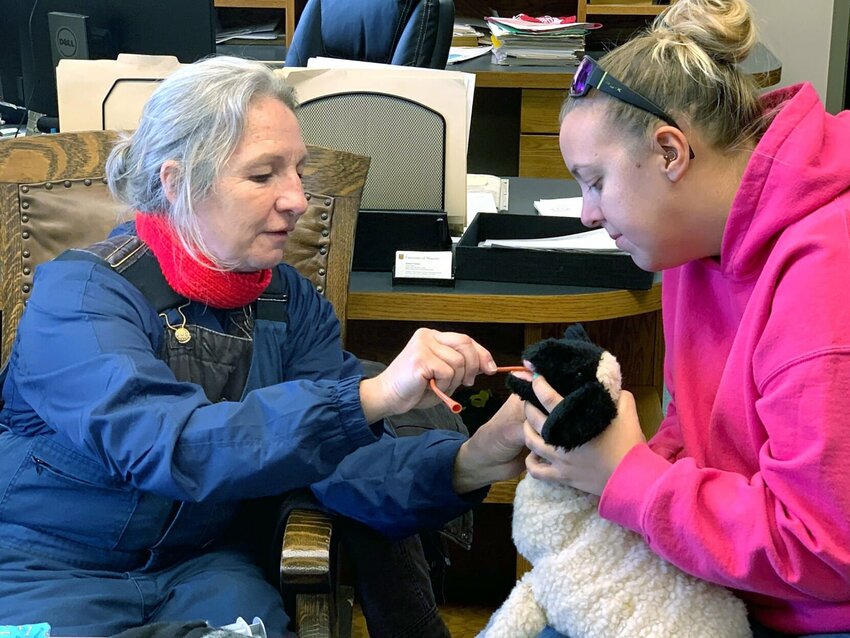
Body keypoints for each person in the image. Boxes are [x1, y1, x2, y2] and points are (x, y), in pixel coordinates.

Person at [0, 56, 528, 637]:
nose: (298, 199)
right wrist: (367, 398)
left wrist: (467, 463)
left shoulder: (289, 303)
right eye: (263, 175)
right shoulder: (79, 295)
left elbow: (346, 466)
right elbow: (164, 445)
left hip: (204, 565)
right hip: (44, 566)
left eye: (297, 171)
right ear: (178, 184)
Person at [521, 1, 850, 637]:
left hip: (814, 612)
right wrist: (611, 464)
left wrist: (630, 479)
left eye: (594, 181)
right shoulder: (690, 241)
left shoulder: (824, 277)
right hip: (731, 580)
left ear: (671, 151)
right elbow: (700, 430)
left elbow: (821, 548)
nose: (587, 213)